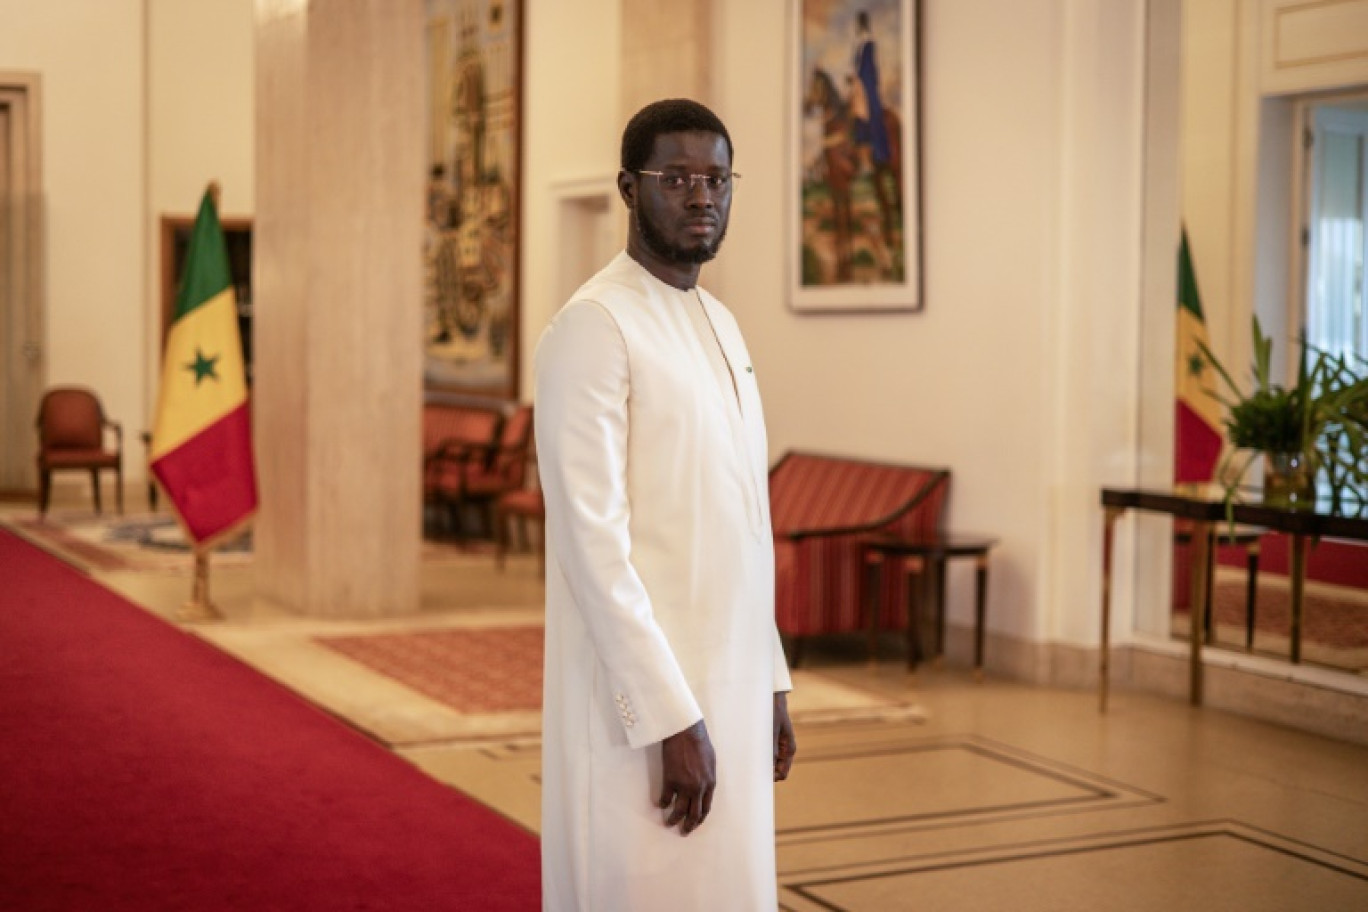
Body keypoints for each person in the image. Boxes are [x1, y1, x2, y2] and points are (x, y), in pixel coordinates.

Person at [535, 98, 797, 912]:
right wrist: (669, 718)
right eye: (676, 177)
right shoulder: (594, 326)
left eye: (717, 178)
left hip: (733, 680)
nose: (701, 196)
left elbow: (745, 526)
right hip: (644, 707)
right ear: (627, 187)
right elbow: (591, 546)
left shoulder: (721, 322)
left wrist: (772, 681)